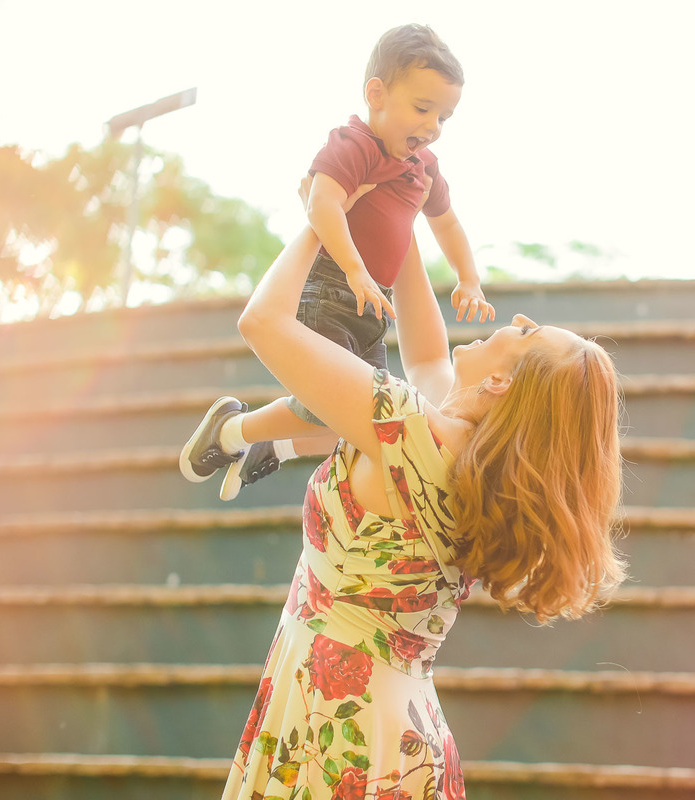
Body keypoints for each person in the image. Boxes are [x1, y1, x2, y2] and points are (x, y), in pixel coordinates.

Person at [214, 217, 625, 798]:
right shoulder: (463, 456)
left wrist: (323, 217)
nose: (518, 320)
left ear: (504, 383)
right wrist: (399, 207)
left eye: (529, 334)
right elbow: (428, 355)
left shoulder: (410, 426)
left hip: (343, 722)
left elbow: (262, 322)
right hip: (394, 726)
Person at [179, 23, 495, 501]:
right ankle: (234, 429)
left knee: (362, 419)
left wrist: (468, 278)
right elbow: (322, 204)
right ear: (377, 94)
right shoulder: (354, 146)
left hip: (374, 306)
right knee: (332, 404)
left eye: (444, 118)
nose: (432, 128)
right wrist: (353, 268)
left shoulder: (422, 166)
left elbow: (446, 223)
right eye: (423, 109)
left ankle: (274, 446)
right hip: (331, 287)